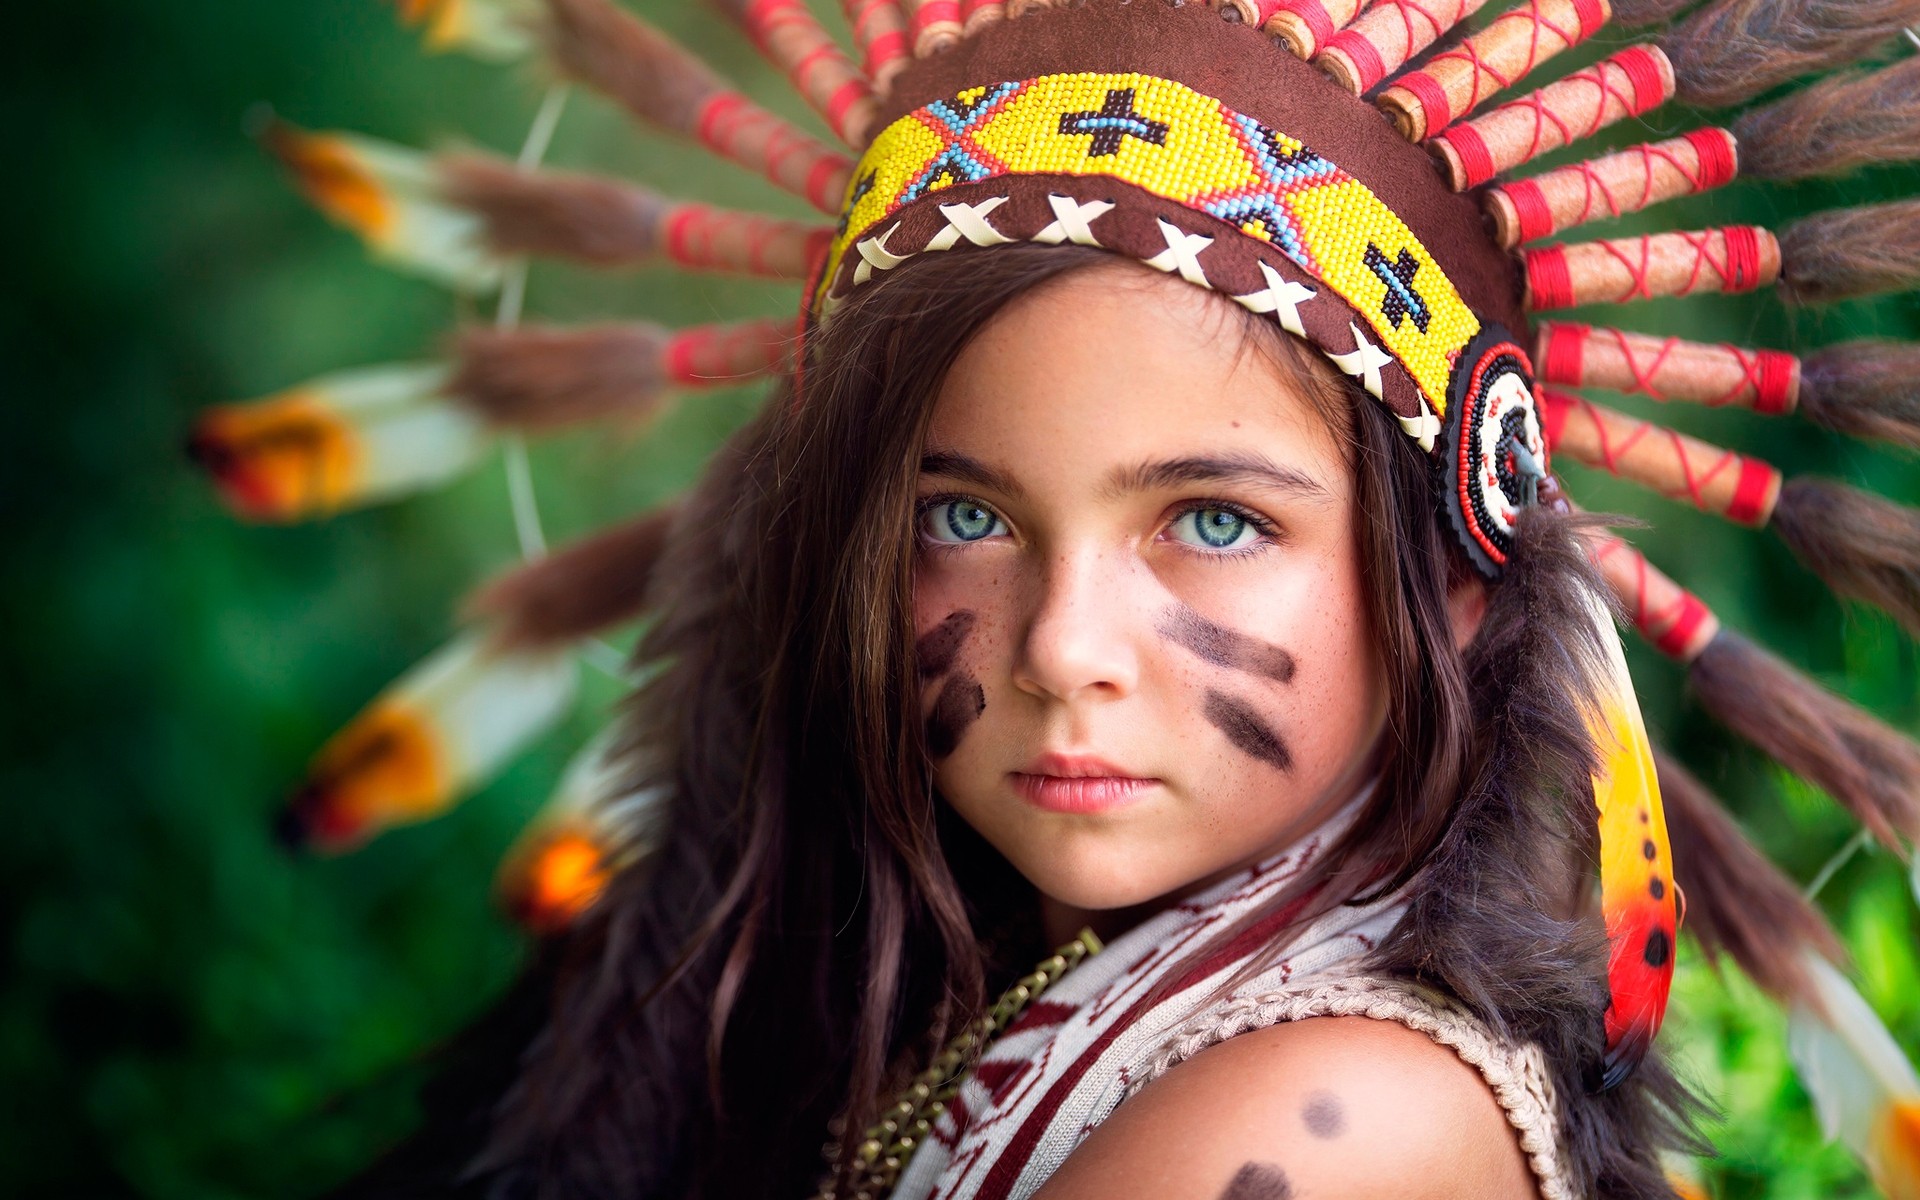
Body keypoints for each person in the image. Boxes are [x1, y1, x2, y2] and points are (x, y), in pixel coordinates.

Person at [193, 0, 1920, 1196]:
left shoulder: (1347, 1122)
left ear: (1463, 585)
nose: (1063, 651)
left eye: (1214, 525)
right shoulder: (925, 969)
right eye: (963, 513)